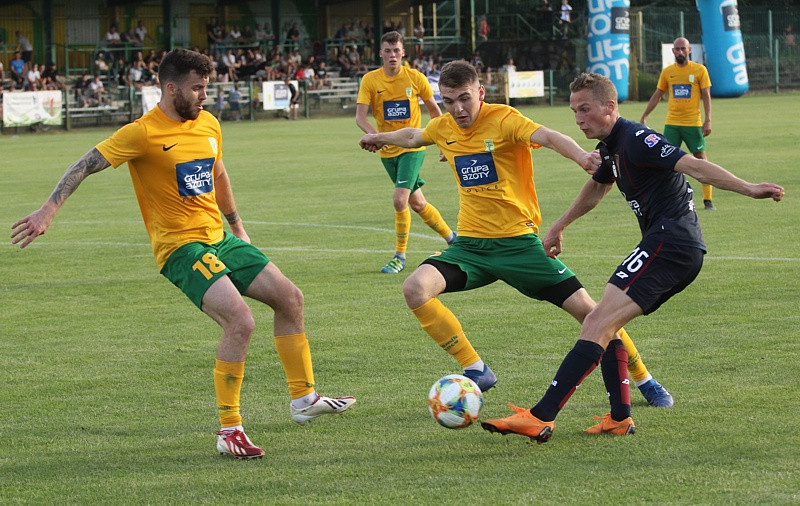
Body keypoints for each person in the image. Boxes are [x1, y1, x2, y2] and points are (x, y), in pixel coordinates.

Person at [11, 48, 356, 460]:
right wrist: (48, 209)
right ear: (171, 88)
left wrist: (237, 226)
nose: (204, 96)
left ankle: (304, 399)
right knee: (241, 321)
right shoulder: (142, 133)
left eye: (206, 87)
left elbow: (218, 172)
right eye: (197, 88)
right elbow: (84, 164)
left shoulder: (208, 123)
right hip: (179, 247)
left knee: (290, 298)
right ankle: (229, 430)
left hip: (219, 238)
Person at [481, 72, 784, 443]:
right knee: (602, 321)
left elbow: (693, 165)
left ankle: (540, 417)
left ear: (610, 107)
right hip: (668, 244)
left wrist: (749, 188)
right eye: (574, 111)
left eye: (585, 109)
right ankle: (619, 418)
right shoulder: (611, 145)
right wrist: (559, 225)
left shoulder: (638, 138)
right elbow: (598, 186)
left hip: (672, 243)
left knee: (597, 322)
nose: (578, 119)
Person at [359, 61, 674, 407]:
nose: (457, 109)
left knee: (593, 314)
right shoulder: (443, 127)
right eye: (448, 101)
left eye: (464, 98)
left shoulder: (504, 119)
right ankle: (476, 368)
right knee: (415, 288)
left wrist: (581, 157)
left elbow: (549, 136)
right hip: (471, 248)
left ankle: (645, 379)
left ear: (480, 92)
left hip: (519, 247)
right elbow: (413, 136)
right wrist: (378, 137)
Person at [356, 31, 458, 274]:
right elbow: (360, 117)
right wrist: (376, 136)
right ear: (380, 53)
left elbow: (436, 113)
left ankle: (399, 257)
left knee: (399, 199)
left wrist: (443, 144)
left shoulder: (415, 77)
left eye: (396, 51)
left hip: (413, 147)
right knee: (418, 203)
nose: (392, 55)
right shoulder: (370, 80)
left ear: (403, 53)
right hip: (387, 151)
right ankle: (452, 238)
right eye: (388, 51)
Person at [641, 37, 716, 210]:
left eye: (683, 48)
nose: (680, 52)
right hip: (672, 124)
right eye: (677, 49)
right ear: (673, 51)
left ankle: (708, 200)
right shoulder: (668, 72)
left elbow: (706, 95)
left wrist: (708, 120)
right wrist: (645, 115)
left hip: (693, 123)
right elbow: (658, 94)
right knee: (665, 161)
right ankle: (664, 198)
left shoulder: (700, 70)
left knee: (701, 159)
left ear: (689, 50)